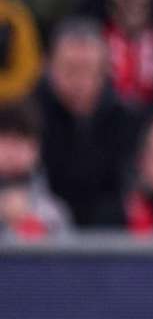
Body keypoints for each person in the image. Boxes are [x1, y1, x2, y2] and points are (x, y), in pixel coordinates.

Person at [37, 18, 141, 226]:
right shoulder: (30, 117)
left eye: (88, 70)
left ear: (104, 71)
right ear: (48, 67)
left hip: (110, 240)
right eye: (70, 69)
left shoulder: (127, 120)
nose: (79, 81)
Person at [0, 101, 70, 241]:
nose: (11, 152)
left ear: (36, 149)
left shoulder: (53, 212)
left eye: (19, 142)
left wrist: (28, 224)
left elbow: (65, 257)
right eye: (4, 141)